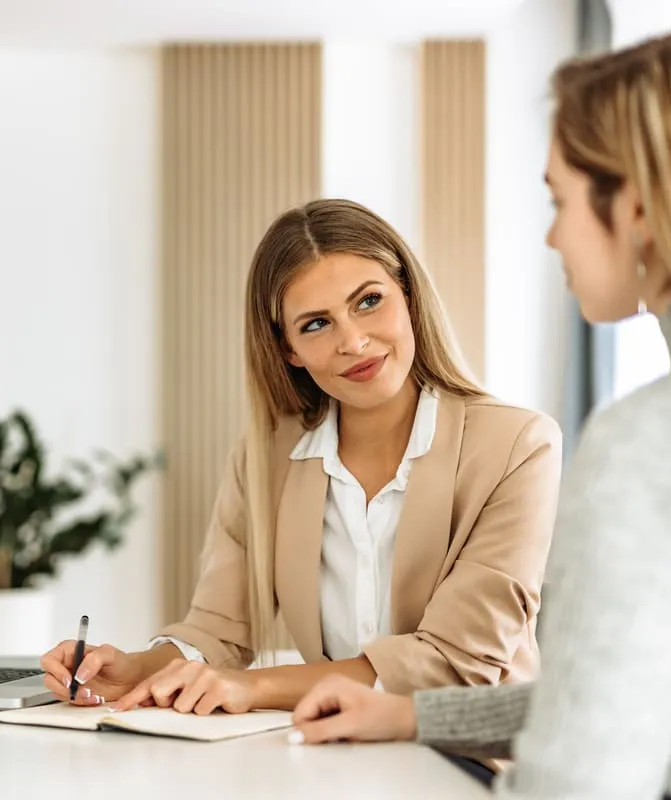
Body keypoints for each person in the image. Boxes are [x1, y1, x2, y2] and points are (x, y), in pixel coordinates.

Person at [287, 30, 671, 800]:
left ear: (637, 209)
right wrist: (409, 716)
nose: (549, 233)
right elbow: (634, 700)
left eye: (559, 199)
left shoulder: (646, 441)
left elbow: (580, 779)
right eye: (313, 324)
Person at [40, 198, 562, 750]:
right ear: (288, 349)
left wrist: (254, 686)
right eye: (317, 324)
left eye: (369, 301)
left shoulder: (517, 445)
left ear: (408, 295)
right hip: (331, 759)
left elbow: (457, 664)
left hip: (477, 764)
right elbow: (218, 627)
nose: (353, 341)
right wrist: (138, 667)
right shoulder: (265, 457)